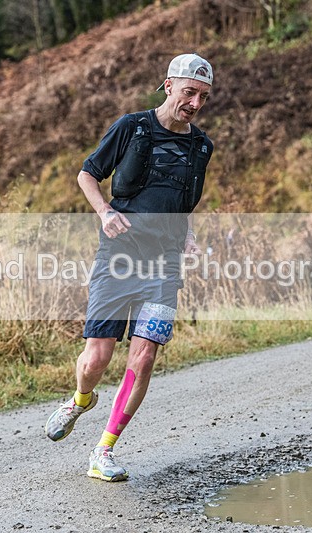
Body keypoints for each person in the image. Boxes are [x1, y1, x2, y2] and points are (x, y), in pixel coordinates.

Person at [44, 53, 215, 482]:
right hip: (117, 261)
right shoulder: (131, 127)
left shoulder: (202, 146)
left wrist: (188, 234)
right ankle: (82, 399)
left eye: (204, 96)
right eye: (189, 92)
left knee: (144, 358)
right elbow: (88, 174)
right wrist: (103, 211)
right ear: (168, 85)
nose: (195, 103)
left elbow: (182, 202)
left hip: (164, 267)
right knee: (96, 359)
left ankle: (104, 451)